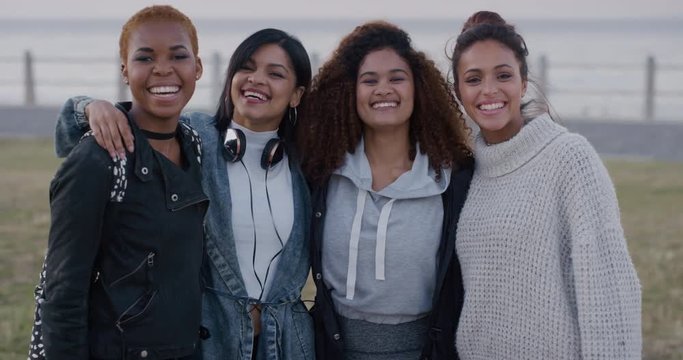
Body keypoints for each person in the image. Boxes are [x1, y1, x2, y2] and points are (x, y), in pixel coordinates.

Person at [51, 28, 314, 359]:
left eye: (275, 73)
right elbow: (73, 136)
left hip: (286, 346)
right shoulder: (194, 138)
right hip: (209, 342)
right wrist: (91, 107)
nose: (256, 79)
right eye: (246, 68)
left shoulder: (308, 164)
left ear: (296, 94)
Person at [450, 11, 642, 359]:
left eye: (504, 75)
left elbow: (609, 294)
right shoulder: (468, 172)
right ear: (459, 91)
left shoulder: (569, 157)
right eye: (474, 79)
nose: (489, 90)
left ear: (523, 83)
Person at [29, 5, 208, 359]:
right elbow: (62, 292)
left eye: (178, 55)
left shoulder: (196, 143)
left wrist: (83, 105)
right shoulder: (98, 159)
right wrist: (88, 107)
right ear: (125, 71)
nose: (162, 68)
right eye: (145, 58)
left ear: (197, 68)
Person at [298, 21, 473, 360]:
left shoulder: (453, 179)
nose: (383, 89)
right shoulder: (322, 172)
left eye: (396, 78)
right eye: (369, 80)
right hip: (330, 350)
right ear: (350, 92)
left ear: (417, 88)